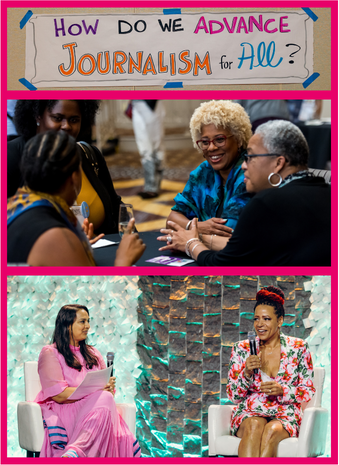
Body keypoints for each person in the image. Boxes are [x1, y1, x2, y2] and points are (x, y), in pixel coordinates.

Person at [158, 120, 331, 266]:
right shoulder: (329, 193)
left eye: (250, 157)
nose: (244, 165)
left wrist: (190, 243)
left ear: (278, 163)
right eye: (205, 141)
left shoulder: (268, 202)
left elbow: (223, 264)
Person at [7, 131, 145, 266]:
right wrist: (123, 260)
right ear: (74, 177)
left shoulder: (14, 205)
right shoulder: (57, 237)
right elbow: (92, 289)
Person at [34, 304, 141, 458]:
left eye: (88, 321)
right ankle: (76, 450)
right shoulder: (50, 352)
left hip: (98, 410)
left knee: (106, 397)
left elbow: (105, 394)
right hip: (67, 408)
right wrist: (96, 390)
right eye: (82, 322)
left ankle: (75, 453)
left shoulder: (93, 353)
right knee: (104, 397)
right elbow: (59, 395)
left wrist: (108, 388)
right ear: (67, 325)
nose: (88, 326)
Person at [7, 99, 121, 235]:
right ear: (37, 115)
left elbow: (116, 208)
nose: (66, 126)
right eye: (57, 118)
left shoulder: (90, 155)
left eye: (74, 120)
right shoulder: (10, 156)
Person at [226, 287, 315, 457]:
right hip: (250, 412)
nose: (260, 324)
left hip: (285, 414)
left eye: (267, 319)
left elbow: (308, 390)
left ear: (280, 321)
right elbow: (233, 396)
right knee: (254, 425)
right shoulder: (241, 348)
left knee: (271, 430)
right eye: (256, 319)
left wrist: (283, 390)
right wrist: (246, 373)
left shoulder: (298, 348)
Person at [167, 100, 253, 237]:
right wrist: (197, 227)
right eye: (205, 142)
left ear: (239, 139)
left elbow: (228, 233)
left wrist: (188, 234)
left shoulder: (249, 173)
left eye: (219, 140)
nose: (211, 148)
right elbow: (172, 219)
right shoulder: (203, 172)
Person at [131, 100, 165, 198]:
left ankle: (152, 187)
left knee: (150, 148)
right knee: (151, 147)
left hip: (148, 103)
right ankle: (153, 185)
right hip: (143, 103)